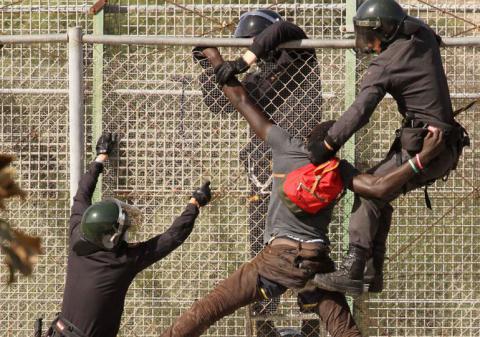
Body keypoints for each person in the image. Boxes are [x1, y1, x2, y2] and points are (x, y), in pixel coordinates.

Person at [159, 47, 445, 337]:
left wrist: (215, 58)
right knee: (344, 330)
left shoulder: (286, 146)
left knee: (209, 309)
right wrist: (420, 159)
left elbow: (241, 99)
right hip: (315, 263)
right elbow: (379, 187)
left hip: (275, 261)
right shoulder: (338, 168)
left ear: (309, 138)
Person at [309, 0, 469, 296]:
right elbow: (427, 30)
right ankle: (371, 273)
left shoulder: (388, 61)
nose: (368, 45)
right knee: (378, 194)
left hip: (427, 149)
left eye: (370, 36)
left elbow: (360, 110)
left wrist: (328, 144)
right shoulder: (421, 35)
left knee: (371, 192)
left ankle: (355, 269)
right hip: (446, 145)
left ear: (384, 30)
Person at [194, 9, 323, 337]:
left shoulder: (299, 60)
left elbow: (283, 28)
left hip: (298, 178)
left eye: (257, 49)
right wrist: (211, 67)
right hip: (263, 178)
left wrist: (243, 61)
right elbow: (221, 102)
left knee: (306, 262)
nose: (256, 63)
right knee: (261, 261)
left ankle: (310, 327)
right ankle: (264, 329)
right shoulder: (259, 79)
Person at [45, 133, 212, 337]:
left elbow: (82, 194)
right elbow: (171, 238)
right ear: (110, 238)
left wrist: (100, 157)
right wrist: (195, 204)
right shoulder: (122, 260)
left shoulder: (77, 233)